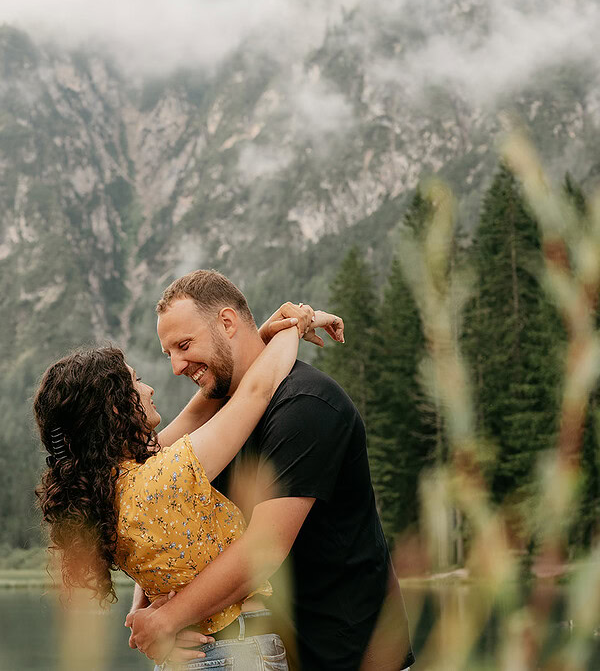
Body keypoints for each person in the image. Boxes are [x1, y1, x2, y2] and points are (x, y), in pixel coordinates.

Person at [127, 270, 414, 670]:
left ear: (227, 323)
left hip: (348, 654)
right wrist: (150, 609)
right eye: (167, 353)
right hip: (267, 652)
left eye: (184, 344)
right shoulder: (224, 420)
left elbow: (264, 548)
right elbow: (150, 497)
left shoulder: (306, 406)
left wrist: (166, 619)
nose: (176, 366)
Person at [34, 301, 342, 669]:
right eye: (136, 381)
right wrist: (297, 324)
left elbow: (200, 409)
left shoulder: (109, 491)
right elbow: (256, 391)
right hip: (235, 655)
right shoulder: (165, 476)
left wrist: (257, 339)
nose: (148, 389)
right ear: (116, 408)